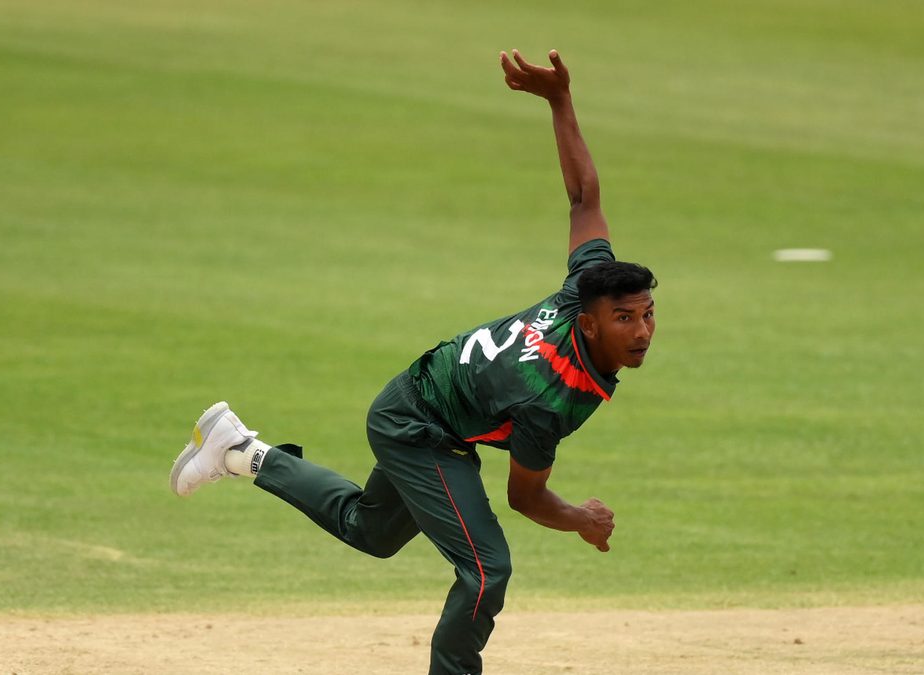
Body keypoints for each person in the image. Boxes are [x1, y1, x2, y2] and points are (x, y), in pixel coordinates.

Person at [170, 49, 657, 675]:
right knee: (486, 573)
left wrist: (561, 102)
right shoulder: (548, 397)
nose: (642, 331)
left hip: (422, 400)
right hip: (421, 426)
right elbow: (526, 498)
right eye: (626, 319)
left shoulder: (583, 288)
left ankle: (241, 451)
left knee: (371, 532)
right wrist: (581, 519)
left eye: (647, 314)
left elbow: (583, 197)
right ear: (588, 322)